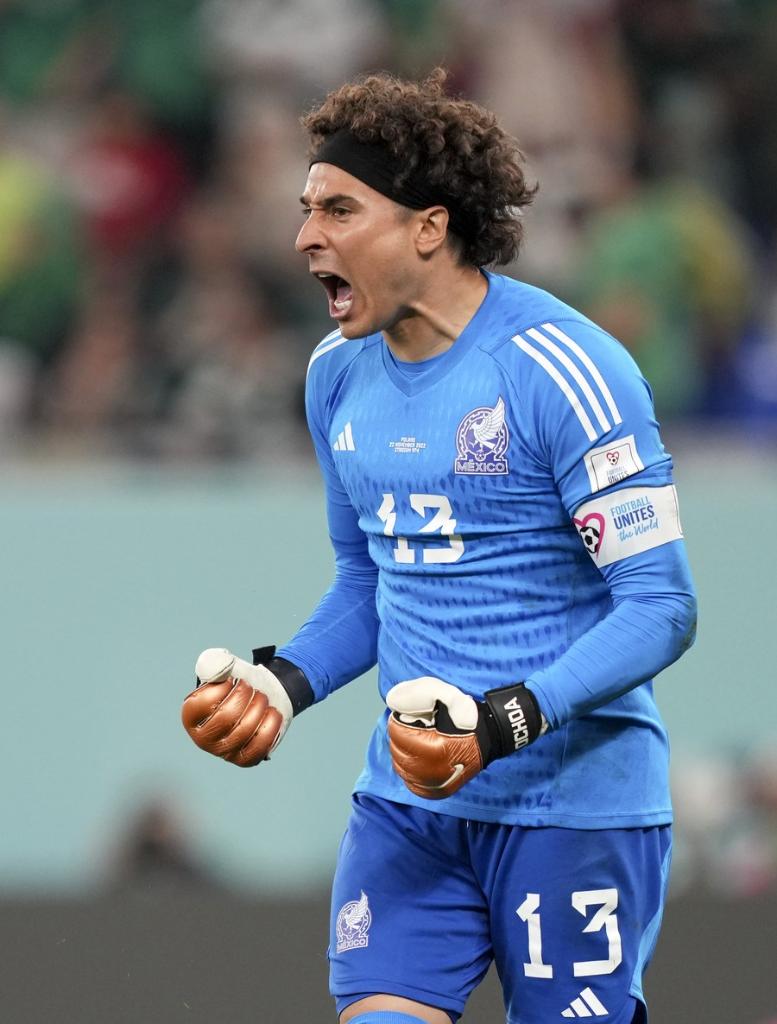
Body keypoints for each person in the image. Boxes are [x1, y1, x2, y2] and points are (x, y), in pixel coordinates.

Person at [181, 69, 697, 1024]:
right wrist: (282, 684)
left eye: (338, 209)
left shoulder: (564, 369)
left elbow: (661, 607)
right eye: (305, 210)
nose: (305, 238)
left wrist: (500, 726)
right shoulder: (335, 376)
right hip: (410, 810)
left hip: (569, 811)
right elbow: (368, 581)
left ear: (428, 227)